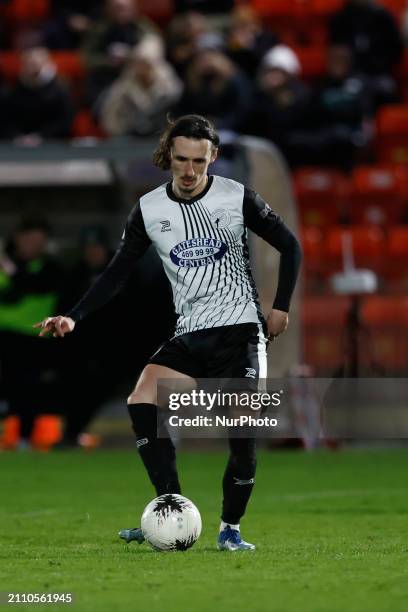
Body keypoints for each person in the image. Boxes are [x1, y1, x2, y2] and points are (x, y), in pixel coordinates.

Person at [34, 114, 302, 551]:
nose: (190, 171)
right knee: (142, 398)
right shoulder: (149, 208)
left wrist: (281, 307)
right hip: (190, 335)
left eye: (200, 160)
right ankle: (170, 510)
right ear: (169, 157)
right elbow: (117, 271)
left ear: (213, 157)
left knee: (241, 435)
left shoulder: (238, 198)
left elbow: (289, 245)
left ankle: (230, 529)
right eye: (181, 160)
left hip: (240, 335)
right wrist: (75, 315)